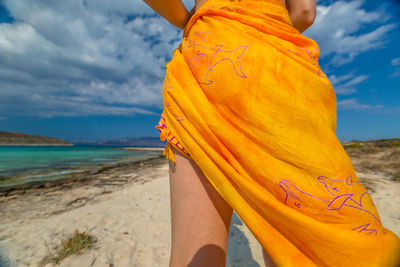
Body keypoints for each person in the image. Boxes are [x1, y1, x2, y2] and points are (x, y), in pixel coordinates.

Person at [144, 0, 400, 266]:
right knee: (293, 239)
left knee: (193, 251)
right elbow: (305, 12)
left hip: (210, 51)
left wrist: (191, 20)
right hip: (275, 65)